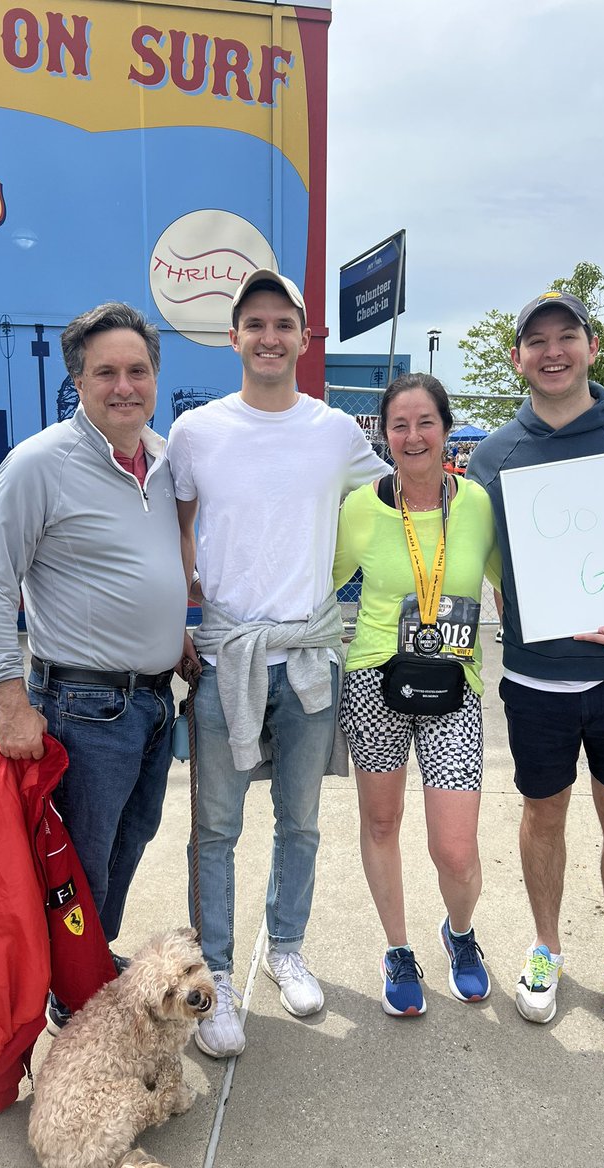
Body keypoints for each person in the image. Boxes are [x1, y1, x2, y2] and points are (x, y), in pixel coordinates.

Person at [166, 269, 388, 1058]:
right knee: (215, 829)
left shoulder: (334, 431)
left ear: (304, 337)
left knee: (300, 822)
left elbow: (396, 505)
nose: (269, 337)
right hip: (229, 653)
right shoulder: (196, 431)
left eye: (283, 324)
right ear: (234, 338)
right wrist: (192, 597)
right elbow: (176, 524)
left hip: (309, 656)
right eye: (254, 323)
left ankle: (286, 947)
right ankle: (216, 974)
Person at [467, 290, 604, 1051]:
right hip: (535, 678)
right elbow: (472, 559)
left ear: (592, 346)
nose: (552, 351)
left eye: (566, 336)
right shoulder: (493, 455)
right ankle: (546, 949)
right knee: (543, 814)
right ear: (518, 356)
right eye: (536, 340)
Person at [0, 301, 188, 1030]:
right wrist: (9, 700)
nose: (124, 385)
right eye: (106, 373)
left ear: (155, 376)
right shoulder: (40, 465)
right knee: (80, 861)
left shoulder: (161, 460)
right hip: (85, 709)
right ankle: (73, 996)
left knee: (130, 840)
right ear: (78, 383)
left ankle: (89, 961)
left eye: (138, 370)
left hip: (155, 702)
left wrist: (173, 638)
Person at [333, 373, 499, 1017]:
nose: (412, 435)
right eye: (398, 424)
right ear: (383, 434)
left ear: (446, 428)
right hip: (376, 680)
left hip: (456, 685)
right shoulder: (362, 508)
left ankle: (459, 933)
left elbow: (514, 582)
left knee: (454, 849)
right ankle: (397, 949)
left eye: (424, 421)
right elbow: (319, 578)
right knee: (381, 823)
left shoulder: (478, 505)